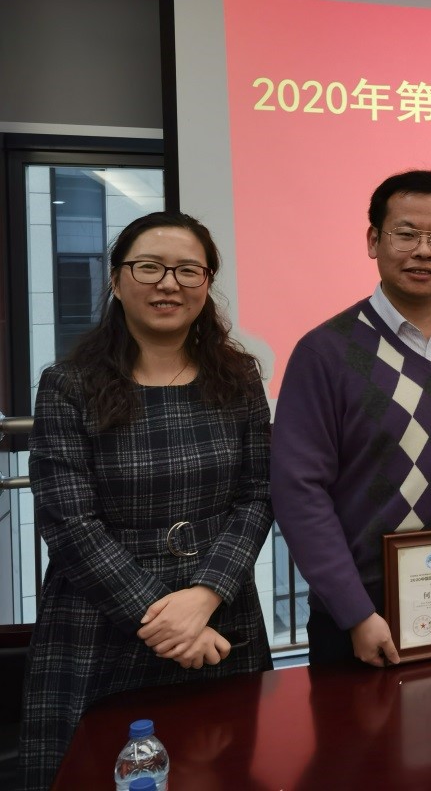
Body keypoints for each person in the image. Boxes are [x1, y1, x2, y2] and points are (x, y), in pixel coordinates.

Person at [19, 212, 273, 789]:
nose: (169, 284)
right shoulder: (68, 384)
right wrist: (164, 619)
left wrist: (204, 597)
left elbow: (259, 495)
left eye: (187, 270)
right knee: (95, 772)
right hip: (101, 616)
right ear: (116, 279)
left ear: (207, 283)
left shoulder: (238, 378)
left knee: (223, 767)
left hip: (219, 611)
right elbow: (68, 520)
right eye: (149, 267)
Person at [271, 170, 431, 666]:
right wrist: (355, 613)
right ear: (373, 241)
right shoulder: (324, 351)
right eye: (406, 234)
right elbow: (299, 491)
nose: (423, 251)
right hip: (359, 616)